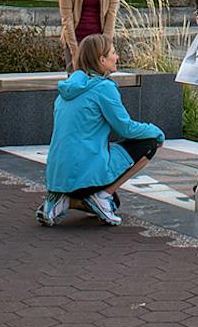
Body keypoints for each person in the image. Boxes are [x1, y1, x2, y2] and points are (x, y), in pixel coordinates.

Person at [38, 34, 164, 227]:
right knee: (149, 143)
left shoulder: (67, 88)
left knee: (116, 201)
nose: (117, 57)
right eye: (113, 53)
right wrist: (155, 131)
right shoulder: (104, 88)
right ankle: (101, 196)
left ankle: (61, 200)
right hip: (86, 176)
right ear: (101, 59)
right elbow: (126, 128)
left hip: (57, 176)